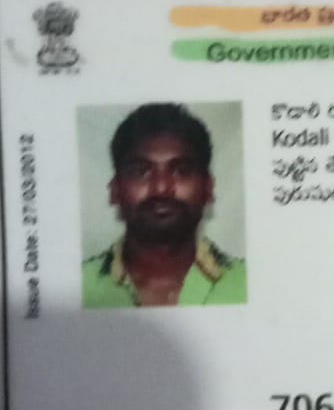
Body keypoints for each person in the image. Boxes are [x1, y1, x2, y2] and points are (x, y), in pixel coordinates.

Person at [82, 103, 247, 308]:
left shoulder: (250, 282)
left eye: (182, 171)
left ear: (209, 188)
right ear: (115, 190)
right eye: (140, 172)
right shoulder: (78, 285)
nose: (161, 188)